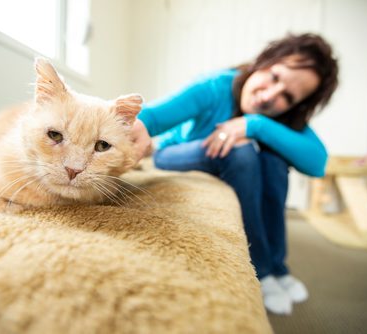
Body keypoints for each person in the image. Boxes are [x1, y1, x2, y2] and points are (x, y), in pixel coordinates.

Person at [131, 33, 339, 315]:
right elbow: (154, 117)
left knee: (274, 162)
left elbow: (318, 163)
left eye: (287, 97)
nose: (269, 96)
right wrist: (133, 129)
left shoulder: (277, 117)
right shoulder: (217, 86)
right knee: (239, 151)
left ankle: (279, 265)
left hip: (237, 160)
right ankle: (263, 269)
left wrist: (253, 125)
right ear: (264, 61)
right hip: (174, 154)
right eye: (275, 77)